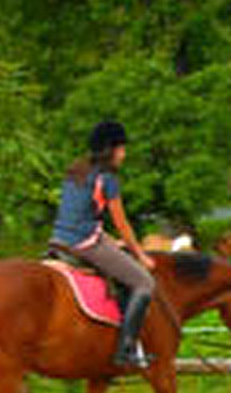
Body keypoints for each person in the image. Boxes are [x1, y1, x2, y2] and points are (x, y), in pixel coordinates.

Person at [50, 120, 156, 368]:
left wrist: (109, 240)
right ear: (110, 149)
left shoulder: (75, 170)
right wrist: (140, 255)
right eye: (121, 149)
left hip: (59, 239)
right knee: (144, 282)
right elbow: (122, 223)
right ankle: (127, 350)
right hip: (84, 244)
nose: (124, 154)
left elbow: (79, 214)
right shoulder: (107, 179)